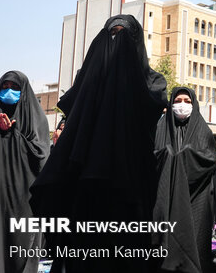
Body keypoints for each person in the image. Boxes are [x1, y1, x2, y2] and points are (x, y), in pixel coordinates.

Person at [30, 14, 167, 273]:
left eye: (124, 36)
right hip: (85, 187)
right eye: (112, 34)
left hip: (130, 188)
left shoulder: (153, 83)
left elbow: (149, 108)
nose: (117, 42)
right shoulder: (87, 81)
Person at [0, 71, 51, 273]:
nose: (8, 92)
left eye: (14, 88)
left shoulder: (36, 121)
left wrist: (13, 135)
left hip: (24, 206)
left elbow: (41, 157)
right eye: (4, 87)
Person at [153, 86, 216, 272]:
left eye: (187, 102)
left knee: (194, 248)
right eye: (178, 101)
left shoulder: (203, 129)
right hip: (166, 199)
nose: (182, 105)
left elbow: (210, 159)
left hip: (195, 201)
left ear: (194, 104)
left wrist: (183, 157)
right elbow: (150, 157)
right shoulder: (160, 127)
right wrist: (167, 156)